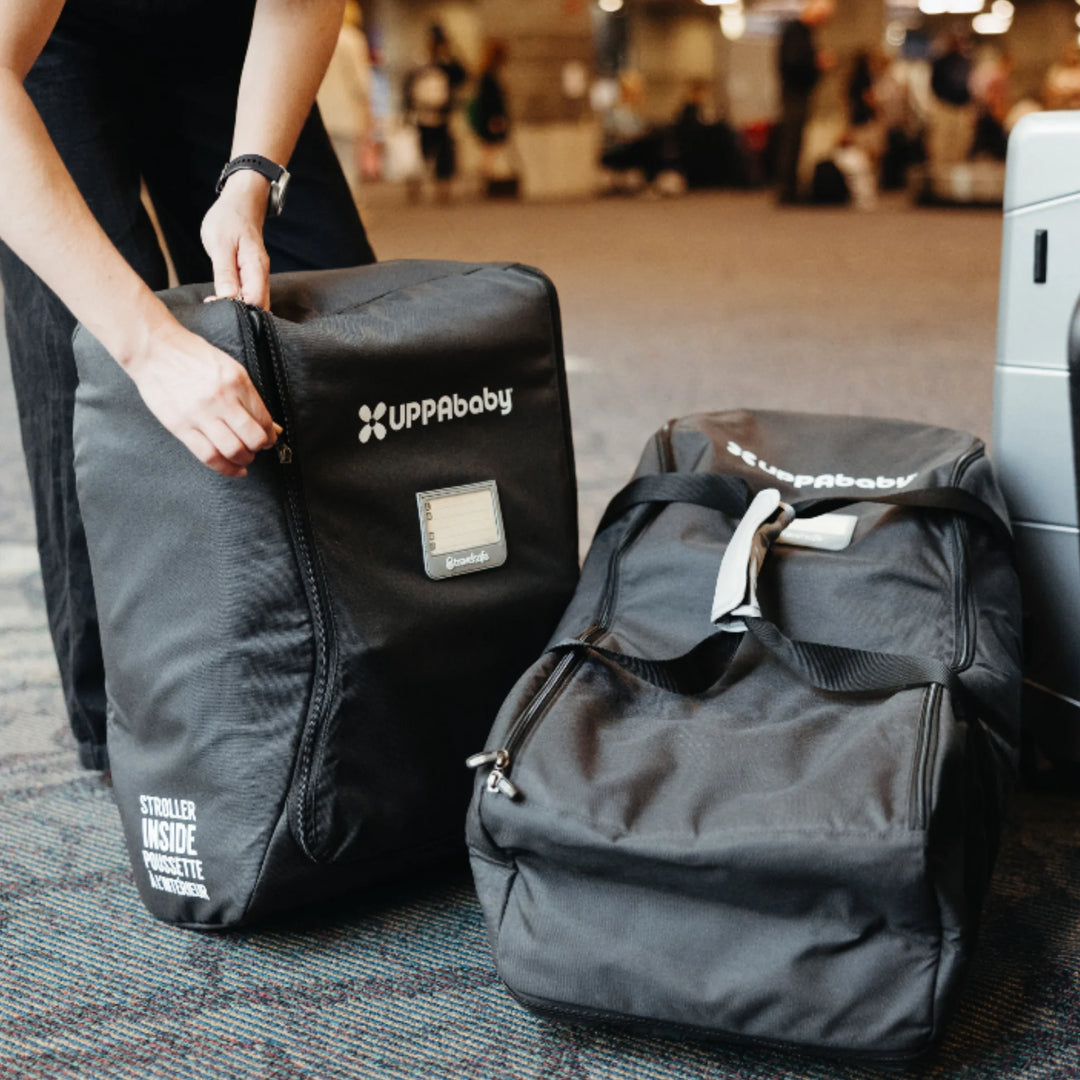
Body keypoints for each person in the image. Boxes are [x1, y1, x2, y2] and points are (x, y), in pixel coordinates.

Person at [0, 0, 376, 772]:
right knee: (86, 347)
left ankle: (364, 661)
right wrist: (148, 349)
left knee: (321, 296)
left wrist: (248, 183)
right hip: (47, 38)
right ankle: (131, 730)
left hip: (223, 22)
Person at [775, 0, 836, 204]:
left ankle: (790, 188)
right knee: (792, 141)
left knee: (796, 141)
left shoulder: (804, 32)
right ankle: (787, 191)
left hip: (800, 93)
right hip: (794, 93)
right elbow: (793, 62)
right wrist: (817, 63)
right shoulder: (796, 31)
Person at [318, 0, 377, 198]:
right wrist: (369, 116)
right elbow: (361, 84)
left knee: (322, 167)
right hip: (345, 115)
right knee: (346, 169)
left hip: (318, 114)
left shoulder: (316, 35)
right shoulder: (352, 39)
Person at [404, 24, 467, 203]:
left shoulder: (447, 63)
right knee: (422, 152)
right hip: (423, 113)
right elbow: (409, 87)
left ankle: (442, 188)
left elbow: (463, 75)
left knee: (444, 152)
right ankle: (418, 184)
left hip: (442, 114)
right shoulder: (421, 61)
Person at [928, 29, 975, 167]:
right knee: (942, 142)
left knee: (961, 142)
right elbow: (934, 85)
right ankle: (940, 170)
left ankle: (957, 168)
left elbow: (970, 84)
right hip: (945, 107)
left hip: (962, 108)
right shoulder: (940, 62)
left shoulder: (965, 62)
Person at [470, 39, 511, 186]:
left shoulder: (488, 75)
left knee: (489, 149)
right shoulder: (489, 77)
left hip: (488, 118)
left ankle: (486, 178)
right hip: (491, 119)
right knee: (490, 148)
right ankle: (485, 179)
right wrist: (495, 118)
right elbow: (490, 101)